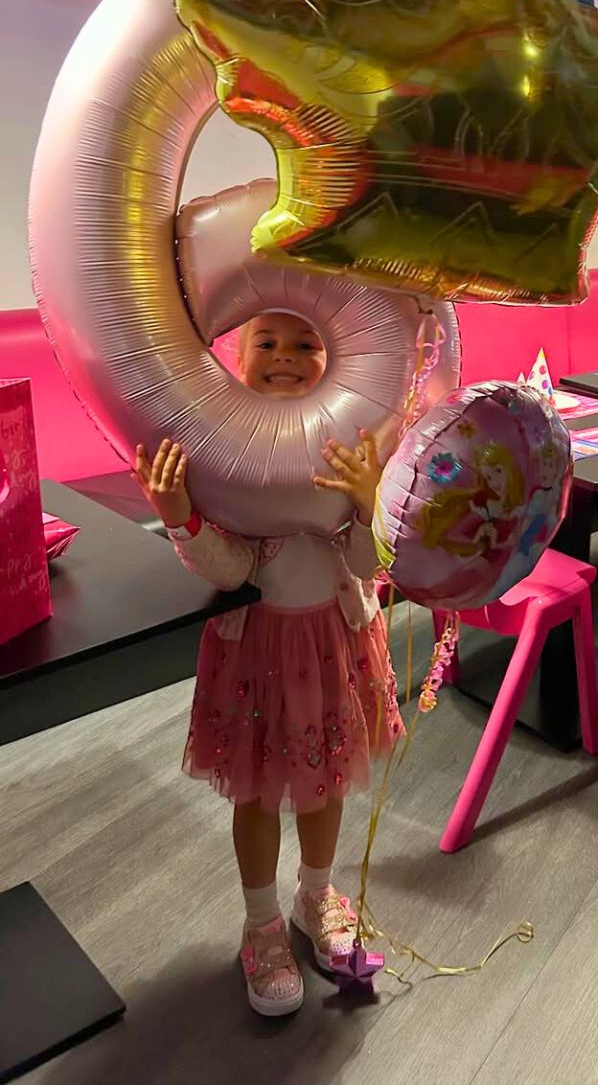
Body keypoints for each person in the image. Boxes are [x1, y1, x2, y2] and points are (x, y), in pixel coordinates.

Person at [135, 311, 402, 1017]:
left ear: (335, 356)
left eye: (305, 344)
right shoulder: (227, 450)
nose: (286, 356)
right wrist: (182, 515)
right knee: (254, 791)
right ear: (237, 354)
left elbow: (367, 561)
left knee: (327, 779)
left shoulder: (350, 444)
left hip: (333, 645)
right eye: (268, 343)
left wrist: (368, 500)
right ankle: (260, 925)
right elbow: (228, 567)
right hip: (255, 650)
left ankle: (317, 895)